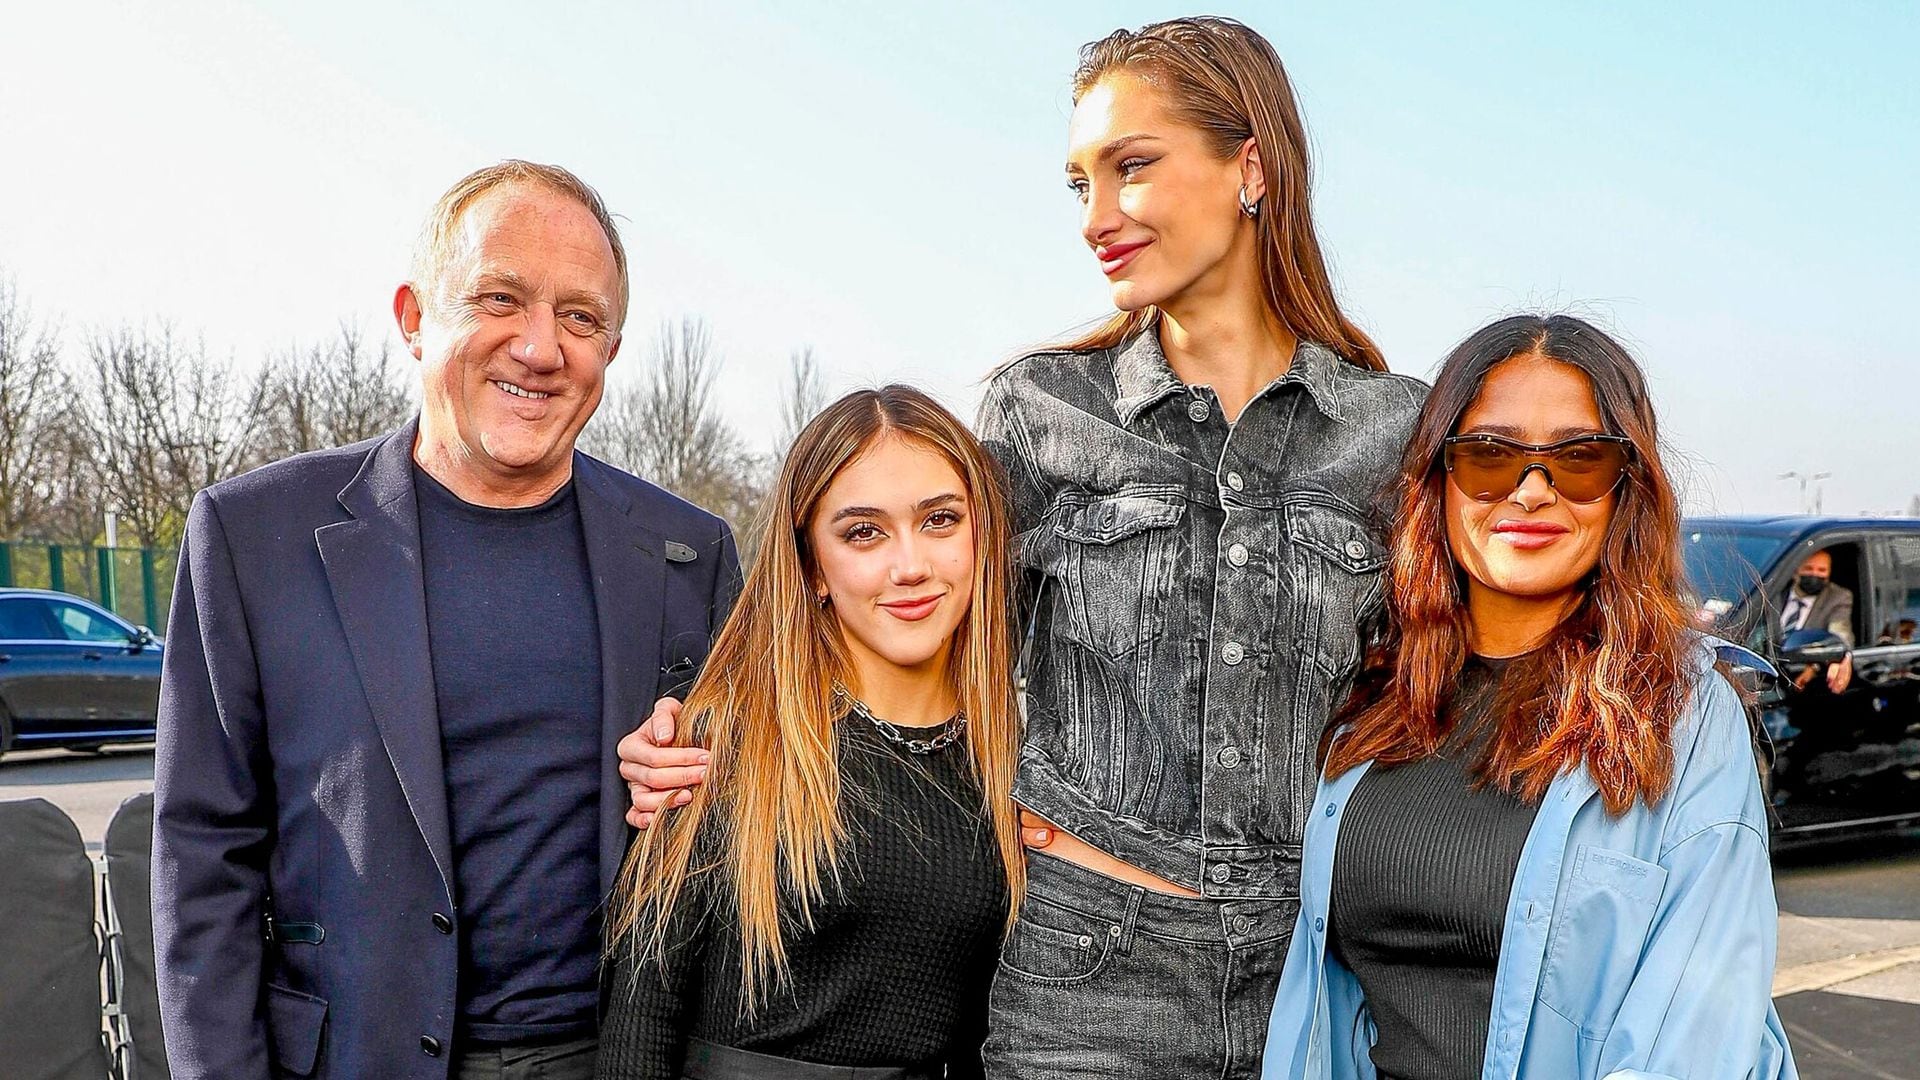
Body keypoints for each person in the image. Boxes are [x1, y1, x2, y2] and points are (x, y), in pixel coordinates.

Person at [620, 18, 1426, 1078]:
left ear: (1252, 167)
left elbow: (1436, 692)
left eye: (1130, 167)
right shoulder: (1040, 409)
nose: (1097, 218)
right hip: (1088, 982)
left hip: (1316, 991)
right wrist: (711, 742)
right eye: (1078, 184)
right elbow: (911, 615)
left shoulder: (1394, 432)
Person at [152, 161, 741, 1080]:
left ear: (612, 351)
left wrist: (711, 778)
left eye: (581, 317)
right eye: (499, 298)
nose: (540, 348)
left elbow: (757, 819)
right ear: (414, 318)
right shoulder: (252, 534)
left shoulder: (689, 553)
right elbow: (202, 854)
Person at [1260, 314, 1795, 1079]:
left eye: (1578, 459)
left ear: (1624, 489)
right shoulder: (1373, 696)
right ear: (1437, 479)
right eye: (1489, 456)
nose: (1533, 490)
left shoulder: (1681, 713)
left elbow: (1695, 1039)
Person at [597, 386, 1025, 1080]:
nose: (909, 565)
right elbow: (642, 1021)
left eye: (940, 520)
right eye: (864, 532)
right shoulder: (731, 741)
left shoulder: (1015, 762)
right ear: (812, 567)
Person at [1779, 548, 1853, 693]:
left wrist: (1840, 657)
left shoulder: (1837, 597)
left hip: (1796, 684)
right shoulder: (1776, 592)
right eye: (1808, 568)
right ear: (1796, 570)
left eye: (1822, 570)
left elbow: (1840, 632)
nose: (1815, 574)